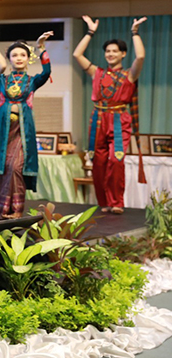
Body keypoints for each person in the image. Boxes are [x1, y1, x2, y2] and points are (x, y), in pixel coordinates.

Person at [73, 15, 147, 214]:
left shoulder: (129, 74)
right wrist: (90, 32)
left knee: (116, 160)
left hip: (118, 120)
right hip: (98, 119)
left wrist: (134, 32)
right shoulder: (97, 72)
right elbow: (77, 54)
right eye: (107, 51)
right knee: (98, 163)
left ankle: (116, 202)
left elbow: (140, 57)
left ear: (123, 54)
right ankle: (104, 202)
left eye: (115, 51)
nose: (111, 54)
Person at [0, 32, 53, 220]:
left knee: (16, 168)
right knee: (3, 166)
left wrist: (41, 48)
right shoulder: (1, 80)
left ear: (28, 58)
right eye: (14, 55)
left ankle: (17, 209)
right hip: (3, 130)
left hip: (22, 131)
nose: (19, 58)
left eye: (22, 55)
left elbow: (46, 73)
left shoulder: (33, 80)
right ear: (9, 58)